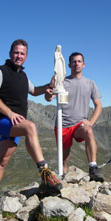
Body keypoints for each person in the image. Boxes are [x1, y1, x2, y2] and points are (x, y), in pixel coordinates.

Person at [0, 39, 62, 210]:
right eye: (16, 52)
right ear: (10, 53)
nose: (19, 56)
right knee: (30, 127)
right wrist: (9, 113)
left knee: (2, 162)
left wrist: (49, 85)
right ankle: (45, 172)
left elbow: (34, 91)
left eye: (22, 53)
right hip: (3, 121)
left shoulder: (23, 76)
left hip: (14, 125)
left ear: (26, 56)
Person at [45, 52, 104, 182]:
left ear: (84, 64)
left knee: (88, 131)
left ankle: (93, 168)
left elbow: (98, 106)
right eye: (74, 61)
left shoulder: (90, 83)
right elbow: (48, 98)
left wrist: (90, 122)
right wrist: (50, 87)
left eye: (79, 61)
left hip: (79, 124)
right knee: (64, 160)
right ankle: (63, 180)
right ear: (69, 65)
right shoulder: (62, 81)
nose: (76, 64)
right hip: (63, 125)